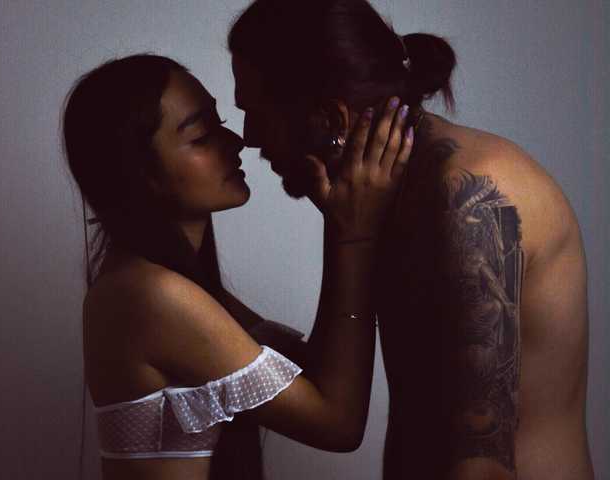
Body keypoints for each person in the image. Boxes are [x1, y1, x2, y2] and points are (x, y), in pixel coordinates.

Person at [228, 0, 595, 478]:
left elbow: (482, 464)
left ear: (333, 120)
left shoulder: (469, 199)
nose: (250, 137)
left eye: (256, 112)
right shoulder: (366, 195)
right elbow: (328, 385)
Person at [62, 54, 414, 480]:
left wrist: (339, 217)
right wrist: (352, 236)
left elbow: (314, 377)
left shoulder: (164, 284)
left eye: (221, 122)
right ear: (139, 173)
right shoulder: (151, 293)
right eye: (202, 136)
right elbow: (337, 422)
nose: (235, 142)